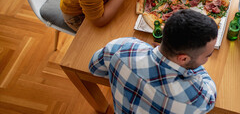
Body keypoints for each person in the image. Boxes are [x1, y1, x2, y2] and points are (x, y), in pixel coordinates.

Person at [88, 9, 218, 113]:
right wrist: (195, 68)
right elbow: (210, 98)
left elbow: (94, 68)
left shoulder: (122, 47)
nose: (207, 58)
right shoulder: (194, 97)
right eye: (208, 55)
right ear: (183, 58)